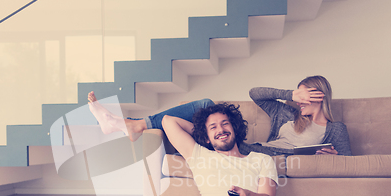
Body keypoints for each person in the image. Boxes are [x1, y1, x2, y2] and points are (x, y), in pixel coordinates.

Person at [86, 75, 352, 155]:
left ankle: (131, 125)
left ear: (321, 96)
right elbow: (255, 91)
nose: (300, 100)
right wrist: (290, 94)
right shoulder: (286, 112)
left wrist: (330, 159)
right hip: (248, 148)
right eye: (299, 95)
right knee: (204, 103)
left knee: (184, 121)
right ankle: (136, 125)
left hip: (259, 157)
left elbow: (349, 163)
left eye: (306, 95)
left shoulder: (335, 129)